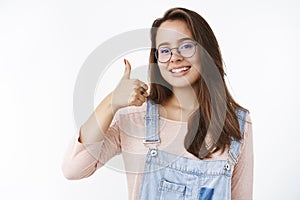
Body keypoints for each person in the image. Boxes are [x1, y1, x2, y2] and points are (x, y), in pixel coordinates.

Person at [62, 7, 253, 200]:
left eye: (186, 46)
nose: (175, 57)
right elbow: (73, 168)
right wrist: (110, 102)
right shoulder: (135, 116)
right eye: (164, 50)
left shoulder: (234, 123)